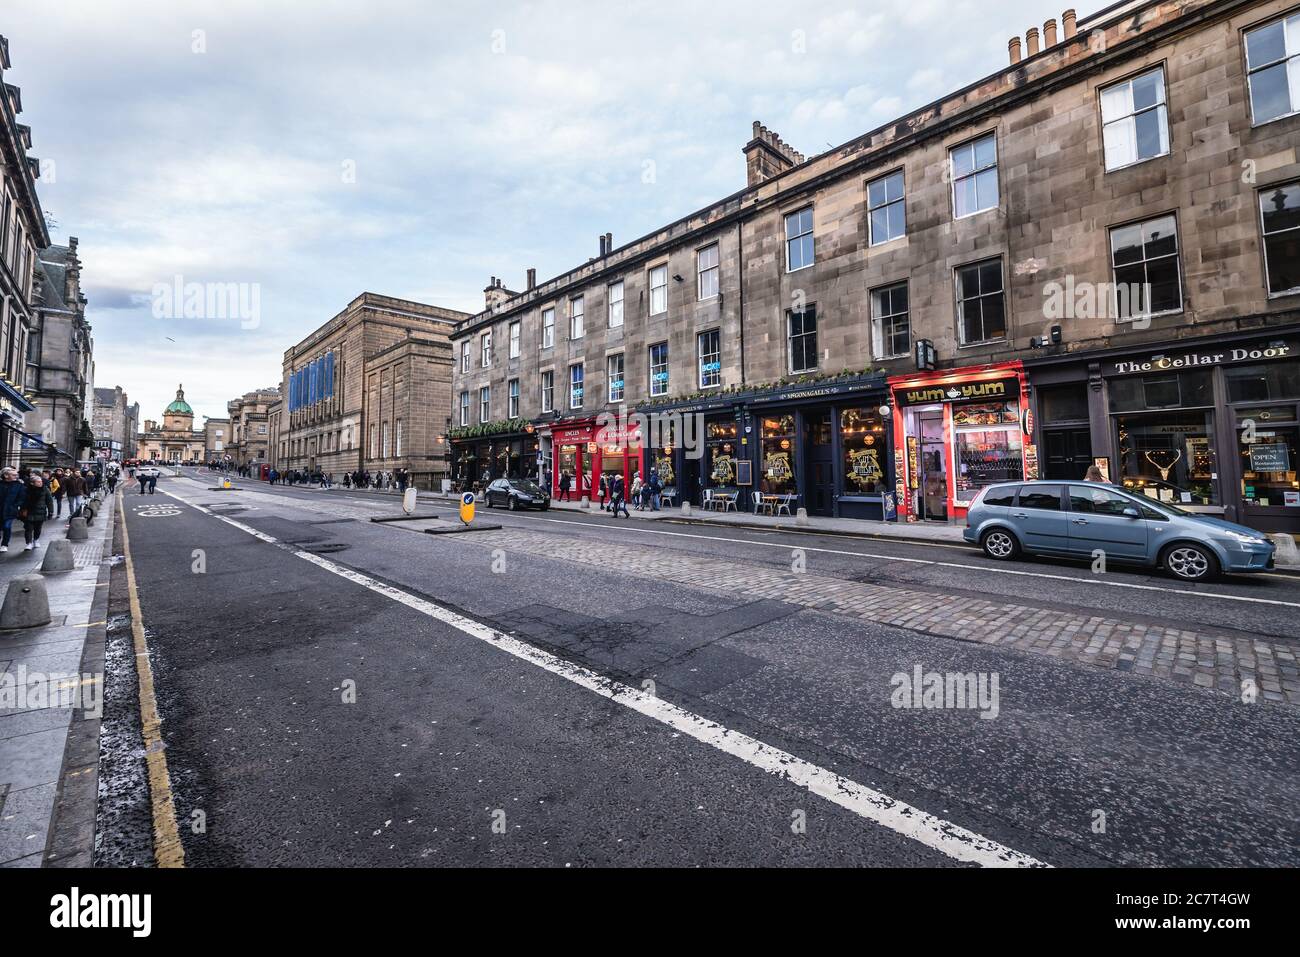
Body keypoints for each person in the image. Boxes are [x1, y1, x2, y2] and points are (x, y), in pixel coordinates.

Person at [21, 474, 55, 551]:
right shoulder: (26, 490)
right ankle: (29, 543)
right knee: (28, 528)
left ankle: (36, 539)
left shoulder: (45, 489)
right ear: (32, 483)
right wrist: (22, 509)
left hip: (40, 512)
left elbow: (49, 501)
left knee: (38, 528)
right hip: (29, 511)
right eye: (38, 482)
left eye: (41, 482)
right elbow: (22, 500)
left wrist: (51, 512)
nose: (40, 483)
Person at [0, 467, 25, 553]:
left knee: (7, 526)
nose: (16, 476)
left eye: (16, 474)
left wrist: (15, 506)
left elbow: (21, 497)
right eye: (13, 475)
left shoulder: (19, 485)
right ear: (6, 475)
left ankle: (4, 544)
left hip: (10, 510)